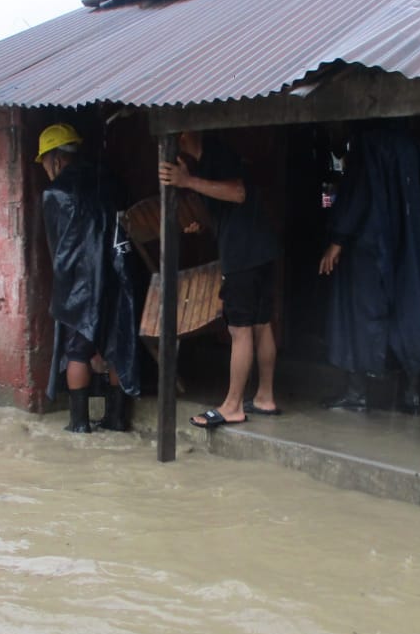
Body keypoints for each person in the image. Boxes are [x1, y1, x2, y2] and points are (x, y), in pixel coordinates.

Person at [317, 124, 420, 414]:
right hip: (409, 246)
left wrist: (338, 240)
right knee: (409, 314)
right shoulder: (413, 146)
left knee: (358, 317)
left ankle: (357, 394)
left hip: (371, 248)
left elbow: (359, 195)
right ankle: (412, 396)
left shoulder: (369, 144)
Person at [159, 131, 280, 428]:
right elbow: (226, 202)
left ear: (187, 133)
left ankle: (233, 406)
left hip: (243, 255)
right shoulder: (207, 159)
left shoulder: (217, 152)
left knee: (240, 331)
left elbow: (237, 193)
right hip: (261, 249)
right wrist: (203, 221)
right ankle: (265, 397)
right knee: (262, 325)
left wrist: (186, 181)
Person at [37, 123, 140, 433]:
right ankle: (116, 418)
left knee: (77, 351)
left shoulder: (54, 193)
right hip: (116, 274)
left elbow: (57, 247)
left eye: (43, 160)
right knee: (115, 344)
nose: (43, 167)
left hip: (78, 285)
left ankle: (79, 424)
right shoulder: (107, 180)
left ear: (55, 157)